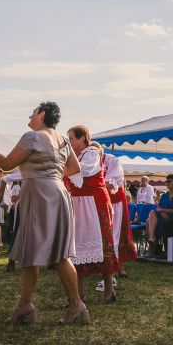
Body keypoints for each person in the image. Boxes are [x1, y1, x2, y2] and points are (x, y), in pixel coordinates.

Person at [0, 101, 87, 325]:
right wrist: (51, 171)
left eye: (33, 112)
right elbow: (75, 169)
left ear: (41, 114)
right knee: (42, 252)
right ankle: (26, 305)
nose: (30, 115)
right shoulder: (64, 140)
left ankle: (75, 306)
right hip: (58, 192)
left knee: (52, 253)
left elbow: (6, 165)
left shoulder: (31, 136)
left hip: (40, 194)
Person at [65, 126, 118, 304]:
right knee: (76, 247)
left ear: (82, 139)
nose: (69, 142)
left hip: (94, 204)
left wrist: (61, 167)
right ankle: (79, 295)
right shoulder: (75, 156)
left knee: (103, 246)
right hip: (79, 204)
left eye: (71, 139)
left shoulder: (92, 153)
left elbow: (84, 171)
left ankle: (109, 290)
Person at [98, 143, 137, 277]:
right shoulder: (87, 161)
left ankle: (118, 265)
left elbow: (110, 184)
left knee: (117, 233)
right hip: (99, 201)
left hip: (115, 201)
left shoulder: (113, 160)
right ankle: (103, 265)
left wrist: (91, 184)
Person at [145, 174, 173, 257]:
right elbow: (158, 207)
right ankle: (152, 239)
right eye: (166, 181)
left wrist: (162, 210)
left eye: (169, 181)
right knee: (151, 215)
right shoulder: (164, 195)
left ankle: (152, 244)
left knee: (149, 221)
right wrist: (162, 212)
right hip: (163, 217)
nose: (167, 183)